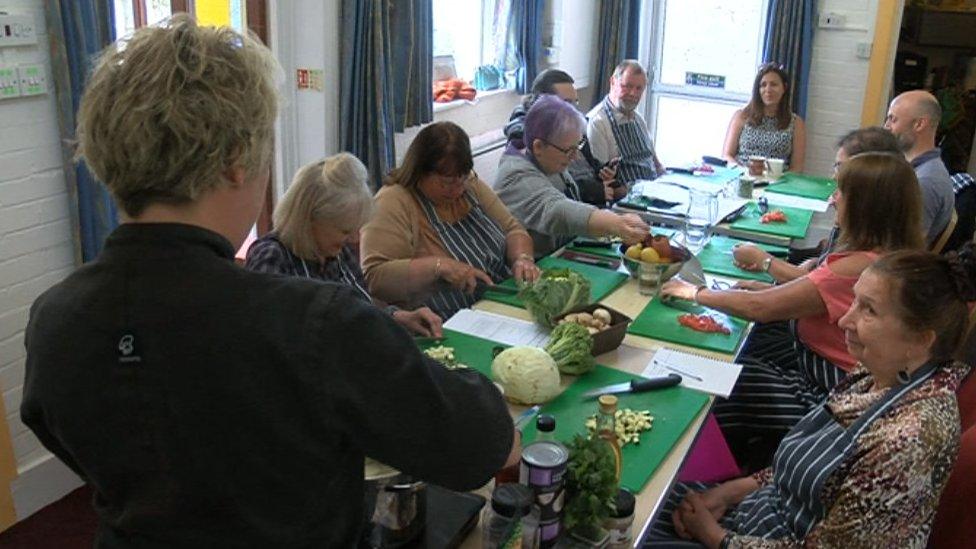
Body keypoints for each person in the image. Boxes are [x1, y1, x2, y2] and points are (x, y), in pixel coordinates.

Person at [20, 17, 518, 547]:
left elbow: (86, 455)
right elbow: (483, 446)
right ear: (238, 162)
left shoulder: (53, 320)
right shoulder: (314, 320)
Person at [649, 243, 975, 548]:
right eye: (855, 302)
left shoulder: (907, 442)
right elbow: (797, 472)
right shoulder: (878, 371)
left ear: (920, 340)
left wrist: (716, 537)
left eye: (869, 311)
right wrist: (729, 492)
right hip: (757, 513)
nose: (845, 320)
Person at [662, 153, 925, 456]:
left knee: (728, 372)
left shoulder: (857, 266)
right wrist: (765, 288)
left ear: (867, 206)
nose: (833, 199)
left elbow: (759, 308)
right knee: (742, 352)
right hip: (829, 373)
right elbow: (809, 297)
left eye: (841, 192)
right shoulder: (887, 254)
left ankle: (701, 463)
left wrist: (694, 292)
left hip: (826, 393)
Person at [245, 153, 443, 337]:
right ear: (310, 219)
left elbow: (361, 307)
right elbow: (270, 340)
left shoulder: (337, 252)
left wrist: (397, 317)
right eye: (345, 231)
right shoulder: (272, 258)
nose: (355, 239)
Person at [361, 121, 539, 320]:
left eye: (461, 179)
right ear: (419, 171)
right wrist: (439, 267)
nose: (456, 190)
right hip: (444, 322)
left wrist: (522, 259)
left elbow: (513, 229)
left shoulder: (470, 185)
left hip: (495, 305)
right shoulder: (393, 201)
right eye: (446, 183)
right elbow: (375, 278)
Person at [732, 126, 901, 284]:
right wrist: (813, 263)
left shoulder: (865, 251)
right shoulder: (871, 221)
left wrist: (764, 261)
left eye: (840, 168)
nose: (834, 178)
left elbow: (816, 285)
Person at [494, 94, 650, 257]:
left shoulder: (550, 158)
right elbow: (558, 210)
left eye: (578, 147)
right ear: (539, 146)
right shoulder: (515, 176)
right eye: (569, 150)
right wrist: (616, 223)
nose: (575, 157)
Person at [505, 68, 620, 205]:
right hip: (574, 202)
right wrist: (595, 191)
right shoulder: (526, 129)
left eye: (575, 103)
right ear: (543, 102)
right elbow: (552, 183)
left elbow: (589, 160)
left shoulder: (573, 122)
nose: (573, 110)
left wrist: (604, 170)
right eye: (566, 102)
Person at [884, 89, 955, 245]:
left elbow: (903, 253)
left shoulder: (925, 181)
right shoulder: (917, 171)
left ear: (919, 124)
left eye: (893, 119)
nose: (886, 126)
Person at [586, 59, 665, 188]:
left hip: (651, 189)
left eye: (639, 88)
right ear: (612, 82)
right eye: (627, 86)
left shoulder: (638, 119)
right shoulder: (598, 123)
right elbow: (604, 183)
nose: (633, 93)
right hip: (626, 198)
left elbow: (656, 164)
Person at [723, 62, 806, 173]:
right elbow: (727, 155)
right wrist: (743, 172)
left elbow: (797, 168)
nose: (768, 89)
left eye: (774, 84)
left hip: (777, 183)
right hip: (742, 177)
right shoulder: (742, 116)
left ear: (784, 88)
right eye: (763, 85)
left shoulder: (796, 123)